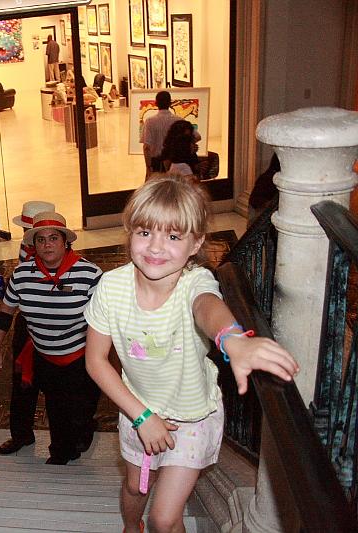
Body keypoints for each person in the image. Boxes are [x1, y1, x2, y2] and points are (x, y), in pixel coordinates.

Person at [84, 176, 299, 533]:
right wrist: (141, 416)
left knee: (165, 518)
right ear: (129, 232)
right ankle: (129, 527)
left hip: (193, 417)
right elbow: (95, 360)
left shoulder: (195, 283)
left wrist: (232, 338)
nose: (155, 247)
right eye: (144, 232)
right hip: (137, 410)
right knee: (135, 489)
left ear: (195, 242)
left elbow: (207, 308)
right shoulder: (111, 288)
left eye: (173, 236)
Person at [0, 212, 103, 465]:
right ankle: (57, 448)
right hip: (41, 353)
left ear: (65, 242)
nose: (47, 244)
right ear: (34, 245)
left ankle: (80, 433)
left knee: (77, 411)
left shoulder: (90, 274)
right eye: (41, 240)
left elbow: (107, 321)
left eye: (54, 238)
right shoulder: (21, 275)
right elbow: (6, 311)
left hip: (79, 358)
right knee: (51, 408)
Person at [0, 200, 55, 455]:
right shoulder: (25, 250)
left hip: (56, 327)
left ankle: (69, 435)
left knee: (60, 388)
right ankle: (21, 434)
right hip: (27, 325)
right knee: (22, 383)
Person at [140, 90, 180, 178]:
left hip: (156, 164)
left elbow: (146, 147)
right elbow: (197, 136)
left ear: (156, 103)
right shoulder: (179, 120)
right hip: (174, 163)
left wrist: (148, 167)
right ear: (170, 103)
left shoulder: (150, 121)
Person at [248, 154, 280, 222]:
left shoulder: (267, 176)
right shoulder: (269, 179)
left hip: (259, 208)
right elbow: (256, 200)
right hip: (259, 210)